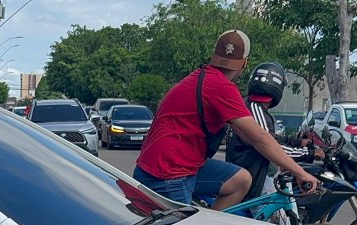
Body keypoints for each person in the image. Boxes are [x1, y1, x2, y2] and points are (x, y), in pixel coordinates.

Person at [133, 30, 319, 210]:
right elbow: (259, 138)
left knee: (241, 180)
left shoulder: (201, 76)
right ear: (244, 63)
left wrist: (277, 152)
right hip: (169, 175)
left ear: (215, 56)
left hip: (170, 166)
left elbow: (248, 134)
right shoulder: (221, 87)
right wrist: (299, 172)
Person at [226, 61, 325, 202]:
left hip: (252, 173)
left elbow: (271, 137)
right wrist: (309, 154)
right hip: (255, 179)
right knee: (276, 220)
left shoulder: (252, 106)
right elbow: (269, 145)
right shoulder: (255, 109)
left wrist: (297, 142)